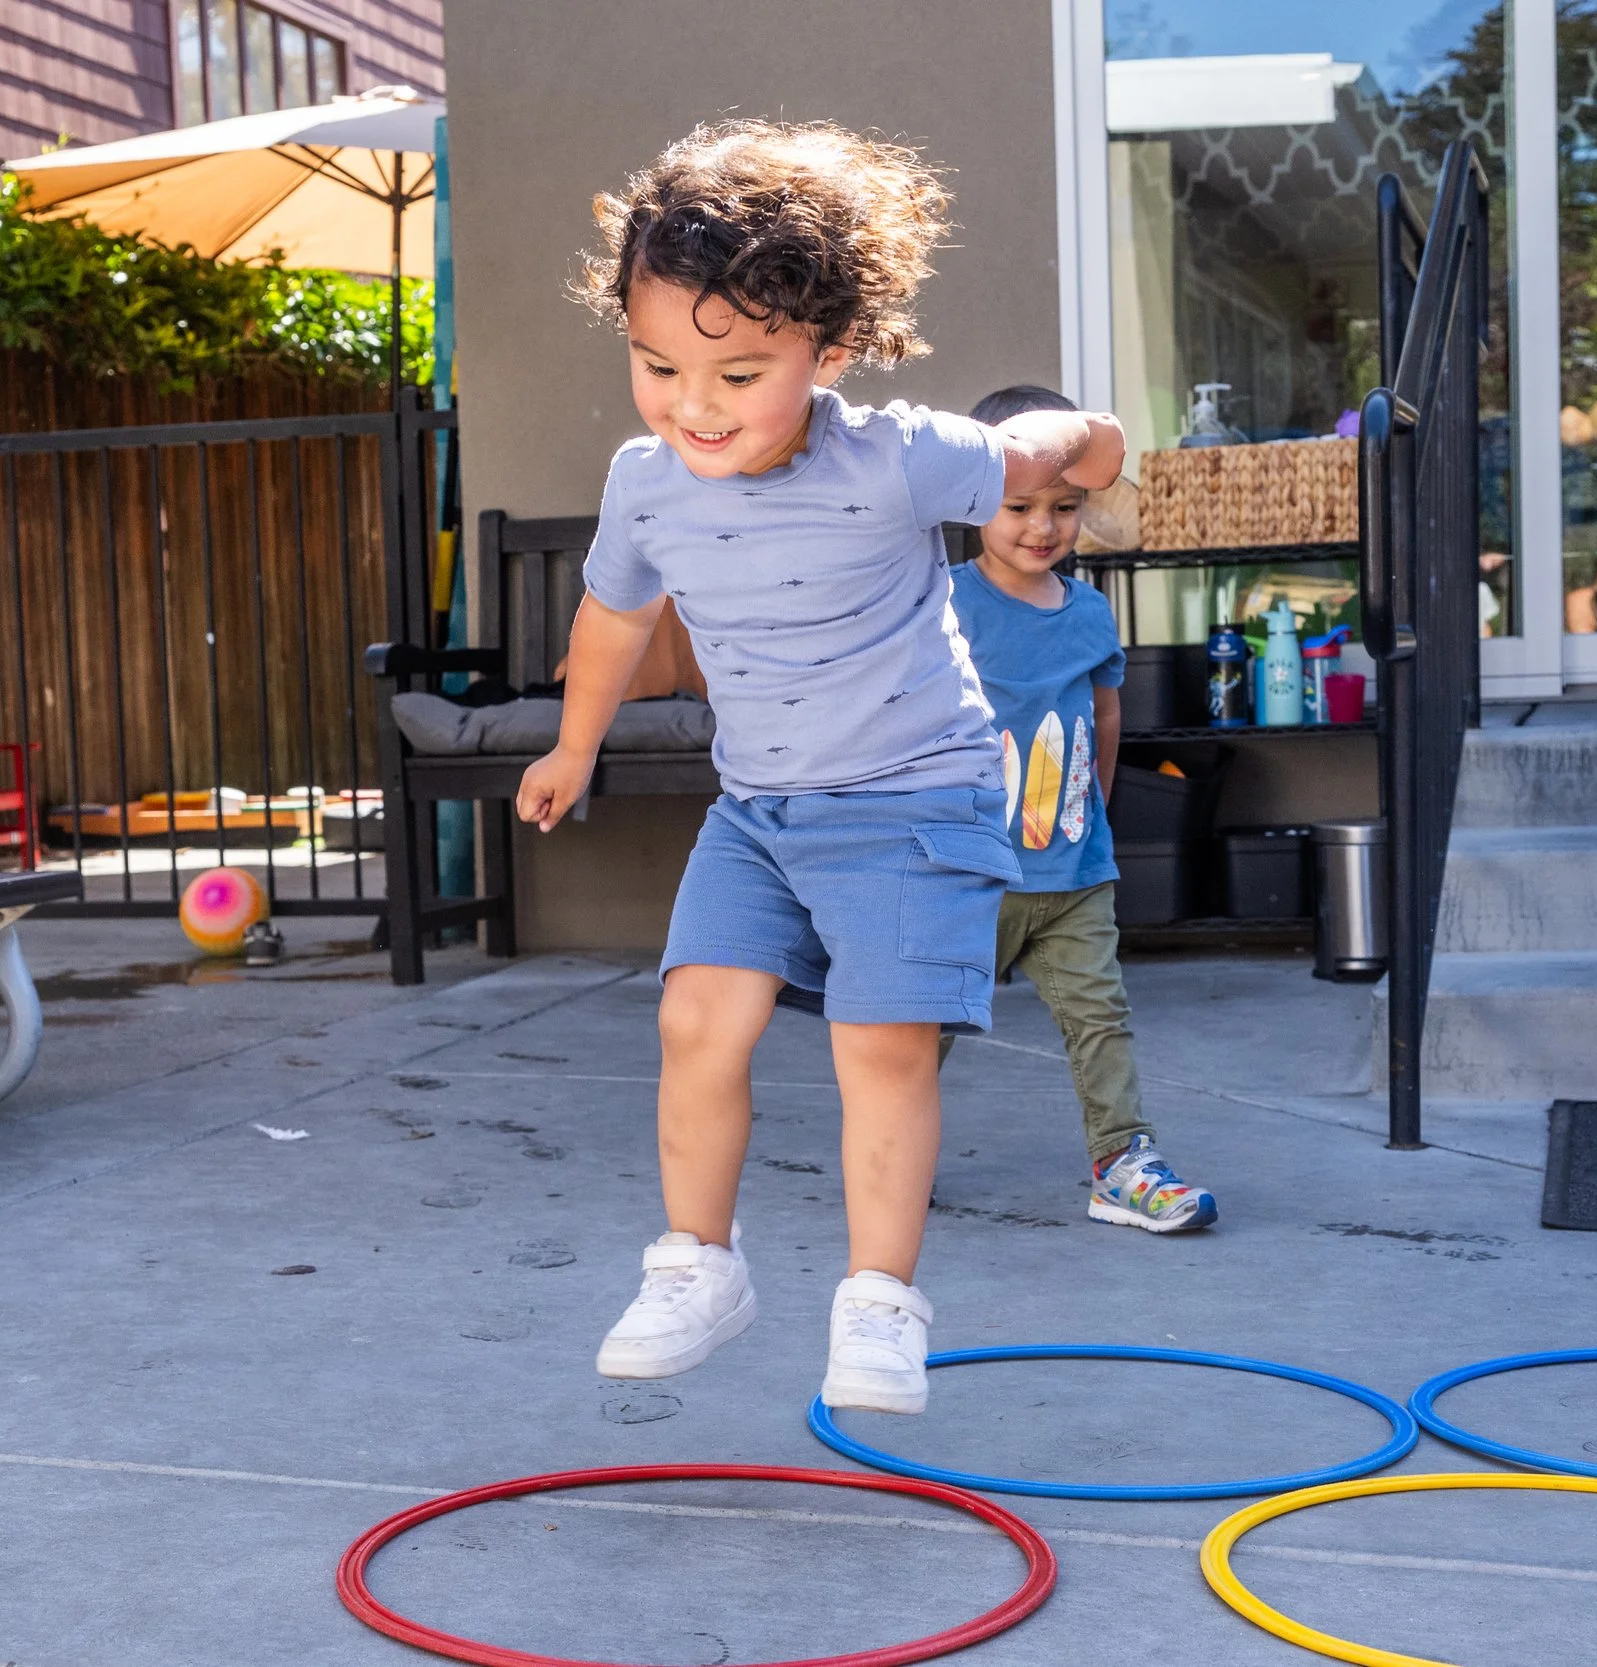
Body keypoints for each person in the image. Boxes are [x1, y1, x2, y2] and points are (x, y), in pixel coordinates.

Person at [515, 122, 1125, 1415]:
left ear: (828, 350)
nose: (694, 404)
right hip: (764, 809)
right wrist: (574, 745)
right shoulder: (646, 483)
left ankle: (880, 1303)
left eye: (738, 372)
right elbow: (614, 619)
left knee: (881, 1041)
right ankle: (699, 1264)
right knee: (696, 1016)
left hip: (917, 797)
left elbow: (1061, 459)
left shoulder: (901, 455)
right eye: (658, 363)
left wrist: (1085, 430)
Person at [941, 383, 1218, 1233]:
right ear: (975, 501)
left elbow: (1104, 714)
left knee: (1100, 1016)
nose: (1042, 526)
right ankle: (886, 1156)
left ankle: (1122, 1162)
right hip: (967, 873)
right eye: (1019, 505)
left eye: (1064, 506)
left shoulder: (1092, 613)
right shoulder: (942, 600)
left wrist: (1092, 807)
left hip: (1070, 872)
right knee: (917, 1034)